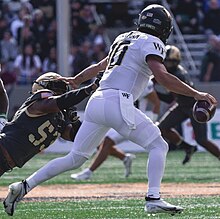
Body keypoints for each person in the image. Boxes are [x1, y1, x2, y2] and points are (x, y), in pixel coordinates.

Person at [4, 4, 217, 216]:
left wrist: (76, 79)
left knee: (75, 158)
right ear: (164, 28)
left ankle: (24, 186)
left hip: (97, 101)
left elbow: (100, 66)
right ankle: (153, 198)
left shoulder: (124, 37)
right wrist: (196, 94)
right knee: (158, 145)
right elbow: (162, 78)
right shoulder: (152, 42)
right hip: (118, 101)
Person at [0, 71, 101, 180]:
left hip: (7, 162)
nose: (60, 91)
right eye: (56, 87)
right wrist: (90, 88)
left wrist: (74, 121)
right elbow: (60, 101)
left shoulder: (59, 119)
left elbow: (77, 137)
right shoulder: (38, 104)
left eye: (63, 88)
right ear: (40, 87)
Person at [70, 79, 160, 180]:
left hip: (132, 121)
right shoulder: (117, 78)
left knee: (107, 142)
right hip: (117, 118)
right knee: (100, 143)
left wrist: (153, 121)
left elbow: (156, 103)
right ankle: (125, 158)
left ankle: (89, 172)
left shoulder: (144, 82)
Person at [156, 45, 220, 164]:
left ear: (176, 62)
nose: (168, 64)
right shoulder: (170, 71)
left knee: (202, 140)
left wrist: (154, 91)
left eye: (171, 62)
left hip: (193, 107)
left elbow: (172, 96)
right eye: (167, 61)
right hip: (181, 105)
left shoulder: (178, 74)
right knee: (162, 128)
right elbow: (170, 97)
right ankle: (187, 147)